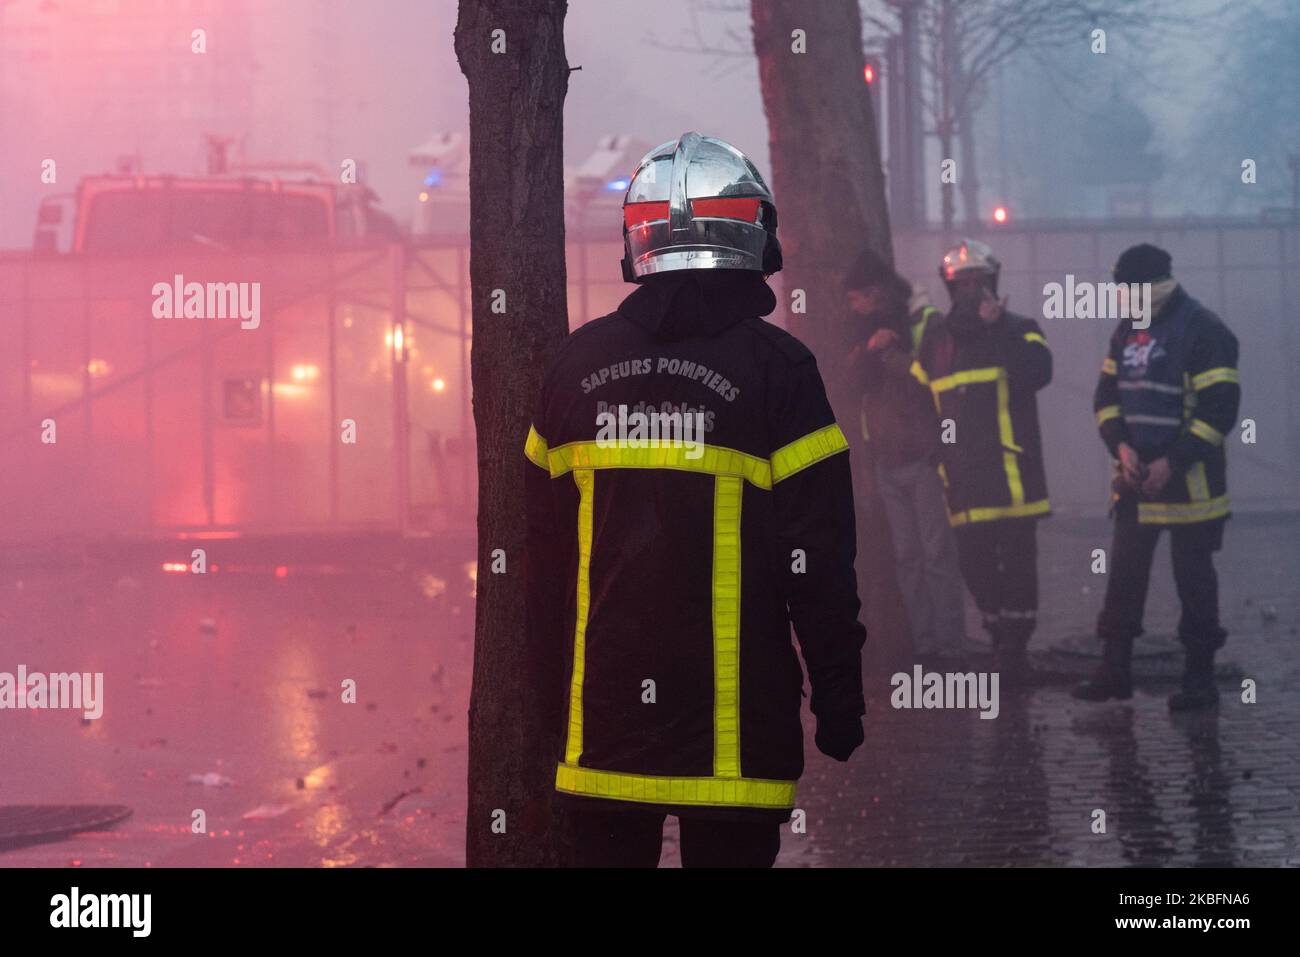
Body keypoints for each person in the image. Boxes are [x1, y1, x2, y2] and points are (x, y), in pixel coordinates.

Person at [524, 132, 867, 867]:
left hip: (601, 728)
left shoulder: (574, 364)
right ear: (751, 234)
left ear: (638, 240)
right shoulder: (780, 370)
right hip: (734, 730)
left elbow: (536, 561)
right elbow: (819, 557)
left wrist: (539, 708)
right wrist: (839, 693)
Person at [1073, 243, 1240, 711]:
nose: (1123, 301)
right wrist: (1121, 447)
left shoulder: (1204, 331)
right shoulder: (1127, 330)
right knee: (1123, 579)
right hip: (1135, 483)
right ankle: (1114, 671)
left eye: (1129, 291)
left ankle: (1200, 681)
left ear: (1153, 287)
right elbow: (1106, 397)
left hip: (1192, 490)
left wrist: (1173, 462)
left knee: (1194, 584)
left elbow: (1220, 409)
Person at [915, 238, 1052, 687]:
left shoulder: (1020, 328)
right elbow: (918, 405)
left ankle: (1015, 650)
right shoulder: (935, 342)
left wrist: (998, 332)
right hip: (963, 480)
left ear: (993, 282)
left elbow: (1037, 374)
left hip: (1013, 478)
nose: (972, 289)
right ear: (951, 287)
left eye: (979, 280)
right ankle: (998, 637)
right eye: (964, 282)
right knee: (974, 566)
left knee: (1018, 568)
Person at [843, 249, 966, 667]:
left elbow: (931, 384)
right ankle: (926, 645)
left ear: (874, 293)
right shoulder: (865, 332)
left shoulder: (924, 324)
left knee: (935, 555)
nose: (852, 307)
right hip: (886, 461)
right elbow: (853, 386)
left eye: (856, 298)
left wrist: (890, 354)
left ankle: (951, 645)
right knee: (908, 557)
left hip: (922, 458)